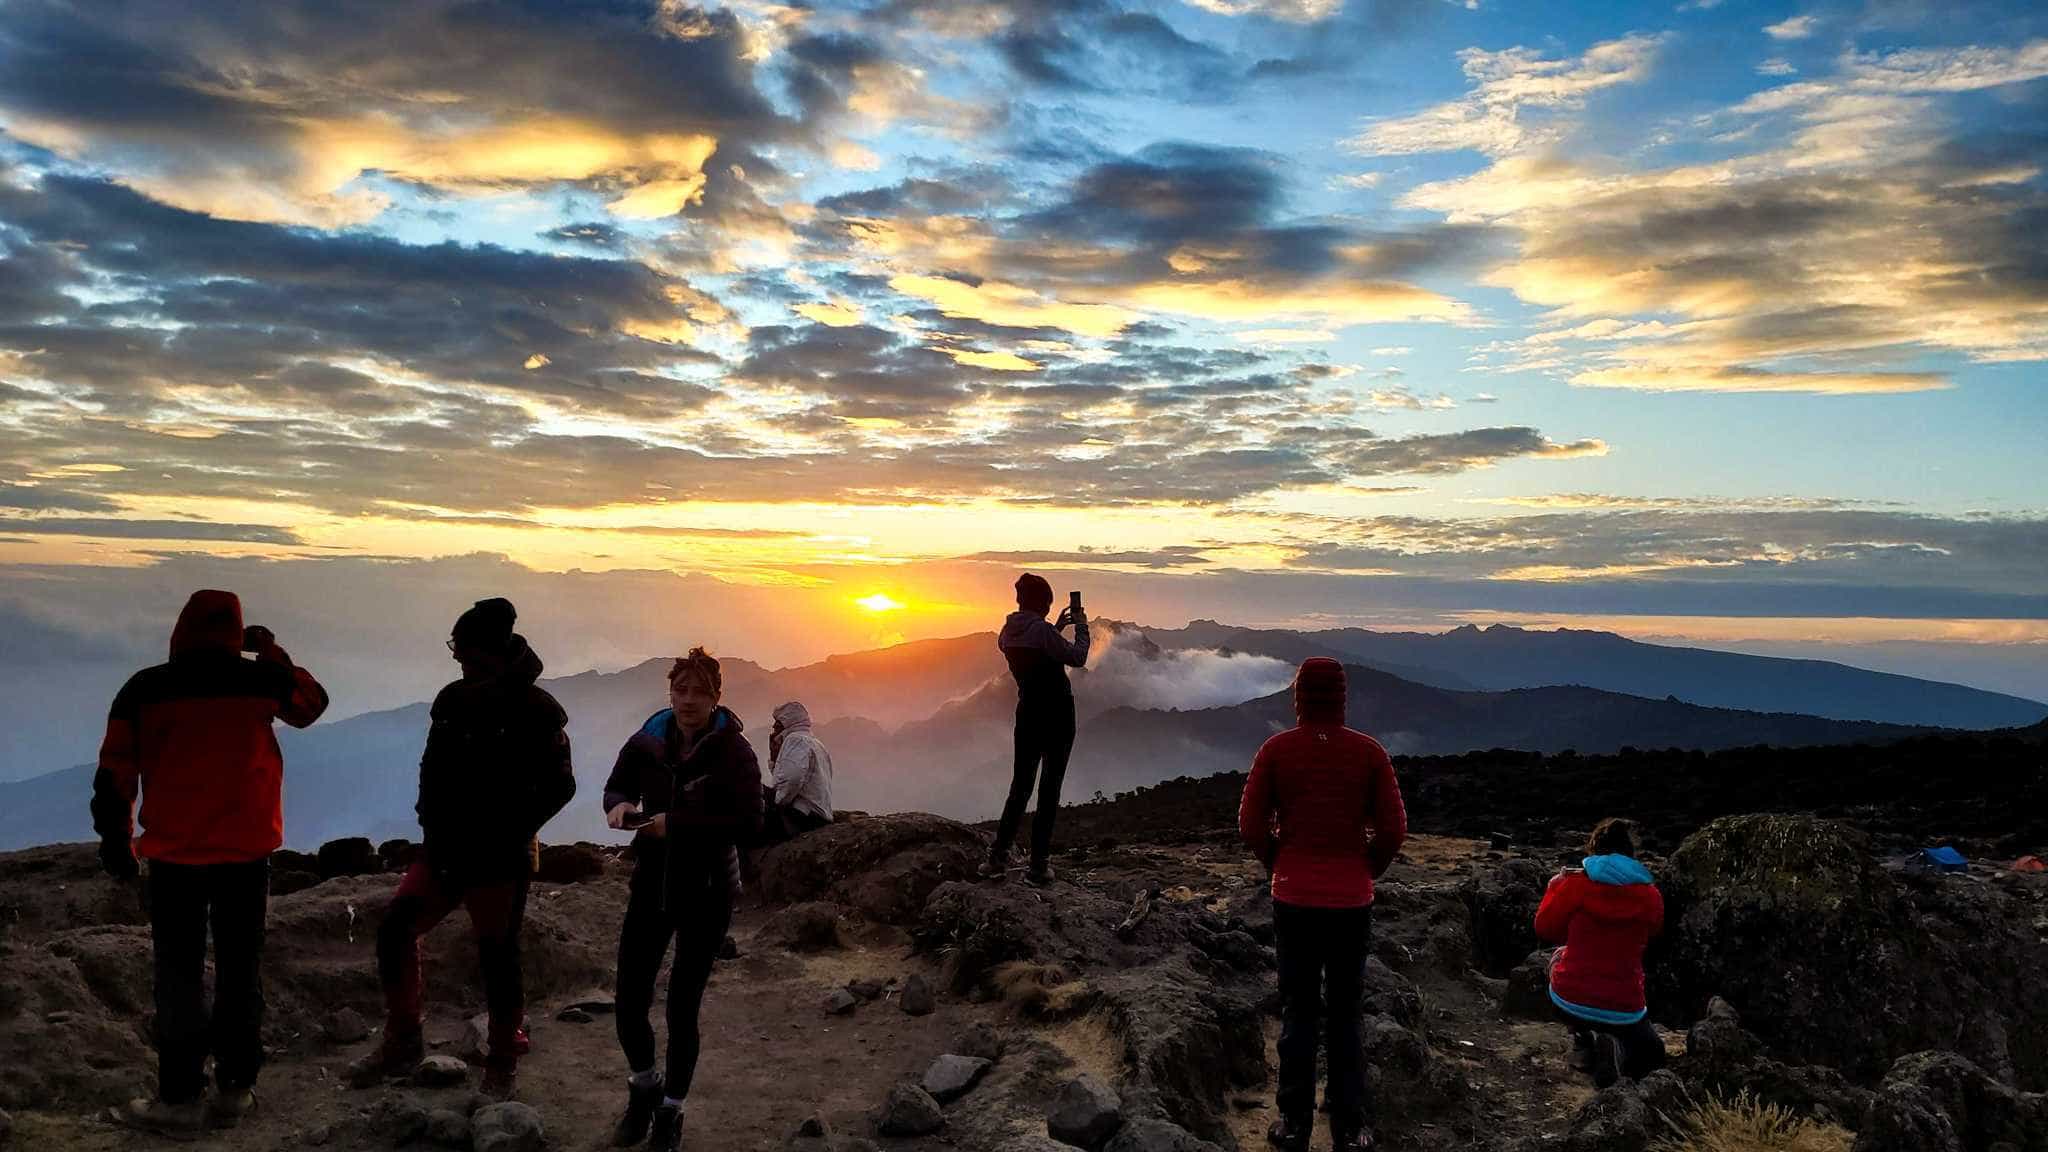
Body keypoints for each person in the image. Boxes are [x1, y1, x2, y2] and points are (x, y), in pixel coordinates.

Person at [90, 590, 329, 1137]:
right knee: (241, 971)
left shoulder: (144, 688)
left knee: (178, 976)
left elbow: (115, 772)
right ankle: (235, 1089)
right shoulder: (260, 681)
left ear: (181, 629)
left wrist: (116, 841)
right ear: (236, 630)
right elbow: (311, 704)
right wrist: (268, 650)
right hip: (246, 853)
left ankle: (179, 1099)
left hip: (175, 855)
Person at [348, 598, 574, 1099]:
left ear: (488, 651)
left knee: (498, 955)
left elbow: (561, 786)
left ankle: (501, 1061)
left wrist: (508, 829)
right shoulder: (452, 700)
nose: (456, 658)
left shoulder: (537, 711)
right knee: (395, 931)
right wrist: (431, 820)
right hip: (444, 852)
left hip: (499, 859)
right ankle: (404, 1040)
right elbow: (432, 769)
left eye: (463, 648)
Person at [1237, 658, 1405, 1152]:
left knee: (1299, 1009)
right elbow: (1393, 831)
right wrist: (1366, 870)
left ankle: (1293, 1124)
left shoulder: (1276, 750)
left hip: (1293, 900)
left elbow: (1249, 825)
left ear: (1298, 697)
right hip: (1352, 902)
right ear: (1343, 698)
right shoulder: (1369, 753)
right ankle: (1351, 1127)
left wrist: (1278, 863)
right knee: (1347, 1012)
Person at [602, 648, 763, 1151]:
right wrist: (620, 806)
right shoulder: (648, 741)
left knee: (680, 1008)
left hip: (708, 890)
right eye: (680, 690)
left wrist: (679, 825)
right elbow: (616, 786)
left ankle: (671, 1114)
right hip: (651, 882)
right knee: (629, 999)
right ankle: (643, 1089)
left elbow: (750, 823)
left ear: (717, 697)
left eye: (699, 692)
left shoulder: (735, 753)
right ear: (670, 692)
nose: (688, 701)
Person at [1535, 817, 1667, 1088]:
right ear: (1632, 853)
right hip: (1625, 1006)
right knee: (1650, 1050)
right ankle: (1614, 1046)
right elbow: (1653, 931)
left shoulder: (1576, 885)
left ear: (1595, 848)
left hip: (1571, 999)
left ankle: (1583, 1039)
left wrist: (1554, 887)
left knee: (1559, 955)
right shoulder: (1651, 896)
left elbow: (1545, 928)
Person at [981, 573, 1089, 886]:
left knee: (1020, 788)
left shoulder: (1007, 632)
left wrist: (1054, 628)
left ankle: (997, 858)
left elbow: (1036, 651)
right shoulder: (1041, 631)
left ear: (1020, 600)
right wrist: (1080, 625)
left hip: (1027, 713)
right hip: (1057, 715)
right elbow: (1077, 657)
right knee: (1049, 789)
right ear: (1044, 602)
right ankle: (1038, 865)